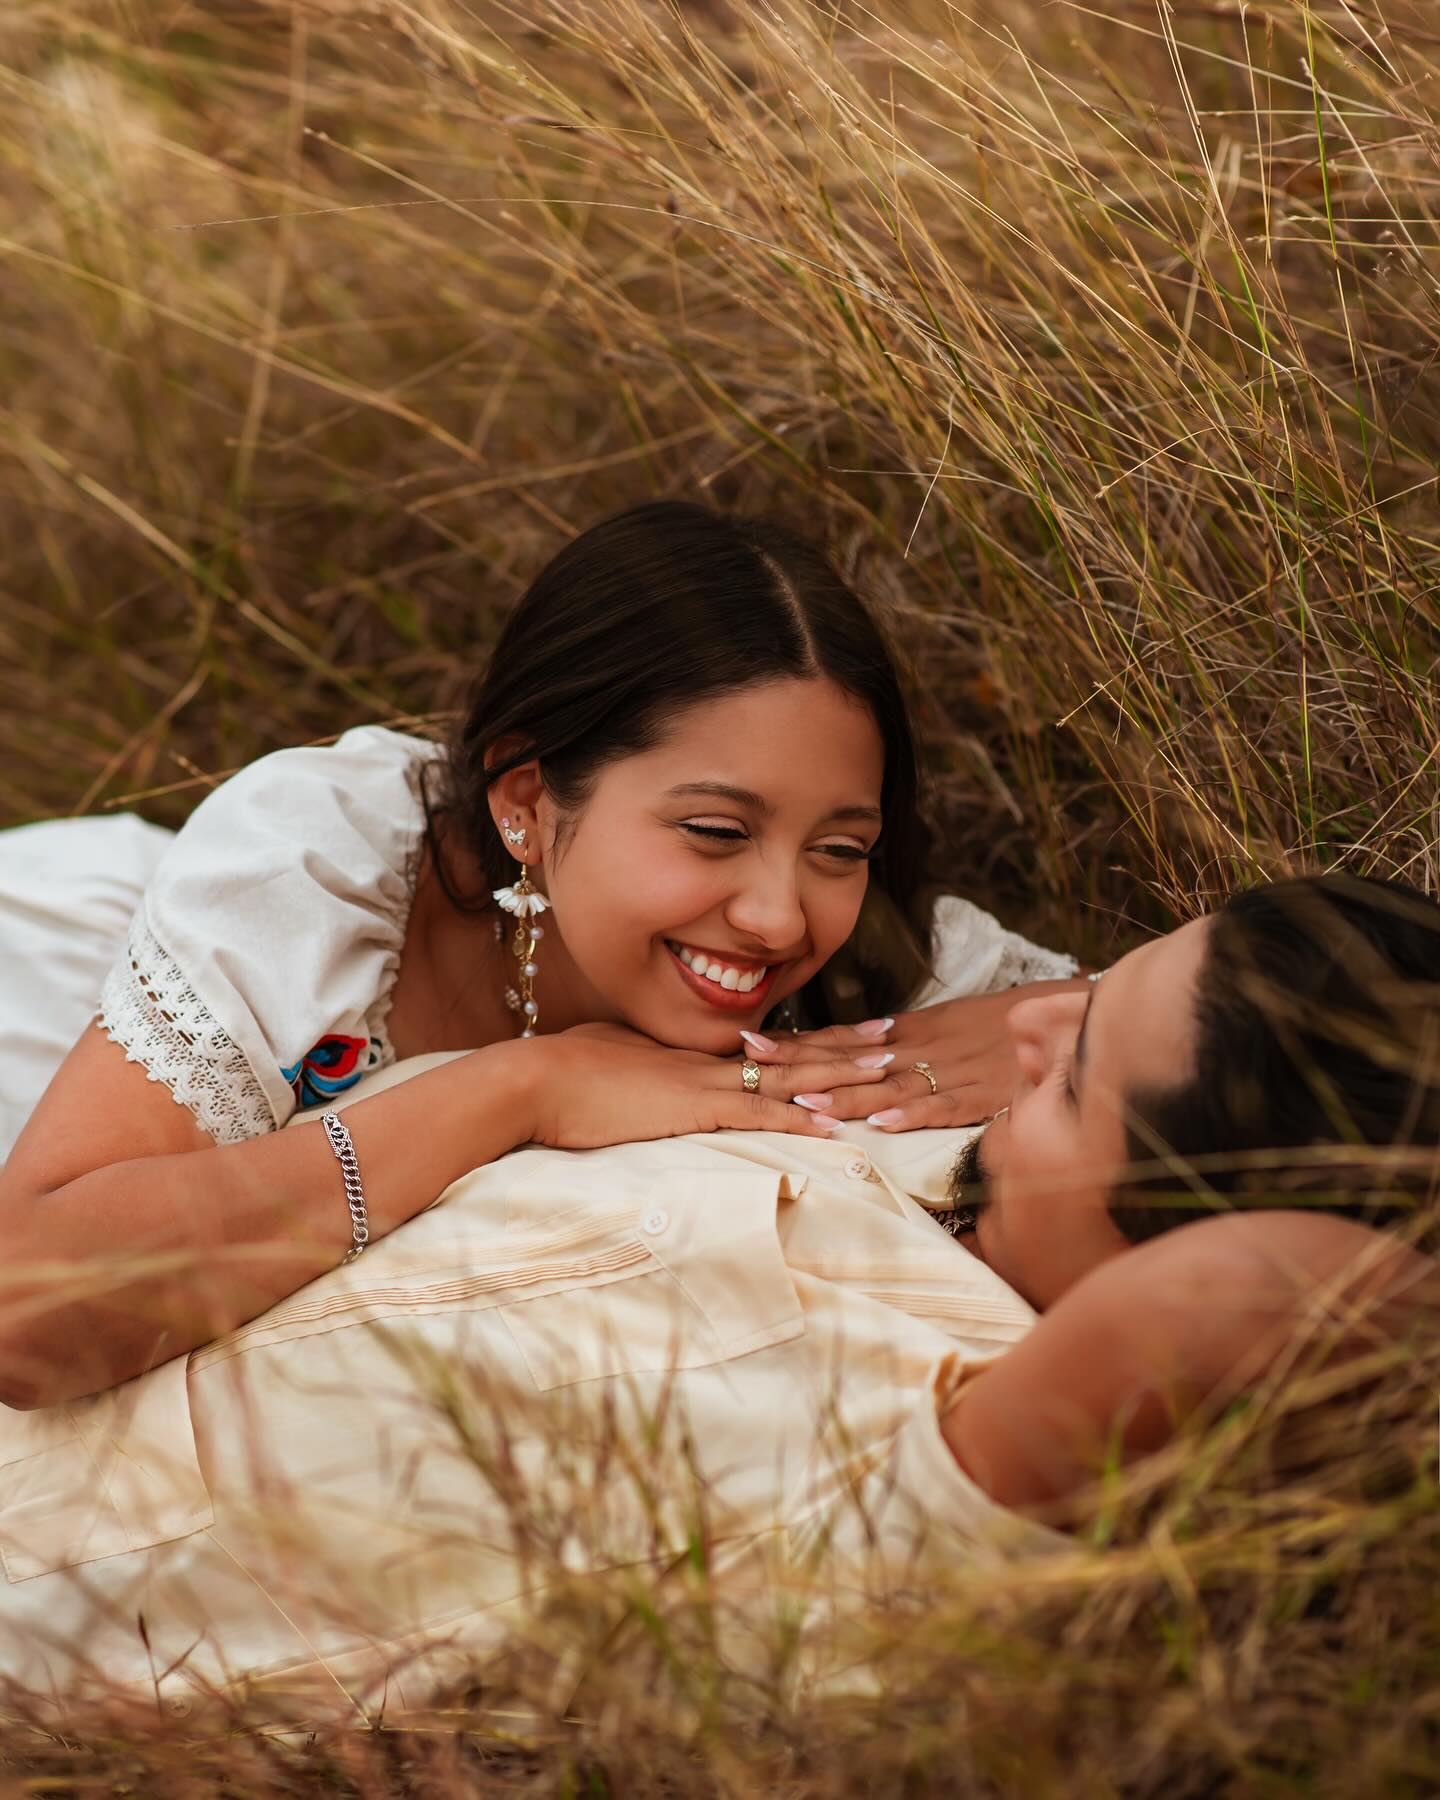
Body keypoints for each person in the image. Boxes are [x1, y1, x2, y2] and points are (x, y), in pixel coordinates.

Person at [0, 872, 1430, 1720]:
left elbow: (1279, 1292)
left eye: (1079, 1063)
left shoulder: (952, 1462)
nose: (1044, 1014)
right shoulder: (925, 1145)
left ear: (1177, 1229)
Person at [0, 500, 1081, 1409]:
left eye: (839, 847)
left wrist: (1067, 1019)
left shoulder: (873, 959)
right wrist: (522, 1088)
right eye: (715, 831)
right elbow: (29, 1314)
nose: (779, 918)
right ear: (524, 799)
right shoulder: (320, 874)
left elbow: (1220, 995)